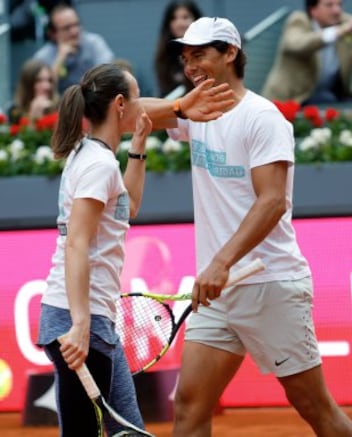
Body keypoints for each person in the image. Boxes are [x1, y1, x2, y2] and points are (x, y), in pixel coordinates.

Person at [143, 16, 352, 437]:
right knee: (189, 407)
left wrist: (221, 262)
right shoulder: (192, 112)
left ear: (230, 54)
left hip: (270, 284)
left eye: (201, 54)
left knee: (315, 408)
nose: (191, 67)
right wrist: (178, 107)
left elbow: (272, 201)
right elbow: (123, 113)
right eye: (186, 58)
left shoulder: (263, 118)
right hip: (219, 293)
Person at [36, 61, 235, 437]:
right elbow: (77, 243)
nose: (144, 104)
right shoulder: (98, 165)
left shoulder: (92, 156)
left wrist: (139, 146)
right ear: (120, 105)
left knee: (126, 431)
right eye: (137, 96)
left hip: (85, 317)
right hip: (80, 318)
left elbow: (128, 209)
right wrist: (80, 324)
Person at [262, 0, 352, 105]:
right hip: (291, 100)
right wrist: (340, 31)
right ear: (313, 10)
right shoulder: (299, 20)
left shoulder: (346, 23)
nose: (337, 10)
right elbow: (297, 44)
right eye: (329, 5)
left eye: (339, 5)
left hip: (334, 97)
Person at [33, 3, 114, 94]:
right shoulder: (42, 57)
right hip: (58, 105)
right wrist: (60, 58)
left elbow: (107, 76)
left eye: (76, 25)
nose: (74, 31)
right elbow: (43, 92)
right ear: (53, 34)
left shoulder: (94, 43)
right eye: (67, 28)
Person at [154, 1, 202, 98]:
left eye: (185, 17)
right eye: (174, 18)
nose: (179, 23)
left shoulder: (208, 49)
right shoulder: (164, 56)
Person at [7, 58, 59, 124]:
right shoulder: (15, 111)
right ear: (28, 84)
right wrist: (33, 117)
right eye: (39, 81)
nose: (47, 86)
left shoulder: (59, 108)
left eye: (49, 80)